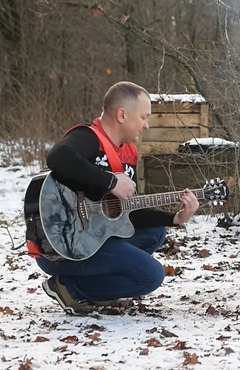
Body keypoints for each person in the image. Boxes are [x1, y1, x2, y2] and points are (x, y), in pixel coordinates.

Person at [35, 81, 199, 315]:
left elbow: (123, 212)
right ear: (122, 114)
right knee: (150, 277)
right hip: (60, 247)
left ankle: (93, 288)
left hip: (92, 241)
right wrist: (110, 182)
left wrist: (175, 218)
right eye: (143, 117)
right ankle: (69, 287)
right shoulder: (89, 138)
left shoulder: (128, 153)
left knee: (156, 234)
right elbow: (58, 157)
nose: (146, 125)